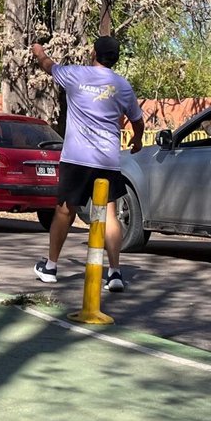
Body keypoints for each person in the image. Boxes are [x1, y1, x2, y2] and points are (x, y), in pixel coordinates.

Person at [32, 35, 145, 292]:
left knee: (65, 211)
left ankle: (50, 267)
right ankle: (114, 273)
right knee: (109, 214)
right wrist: (137, 140)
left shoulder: (75, 74)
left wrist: (38, 51)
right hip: (107, 159)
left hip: (77, 158)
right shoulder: (122, 85)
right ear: (115, 59)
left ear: (94, 53)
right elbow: (137, 120)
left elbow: (48, 65)